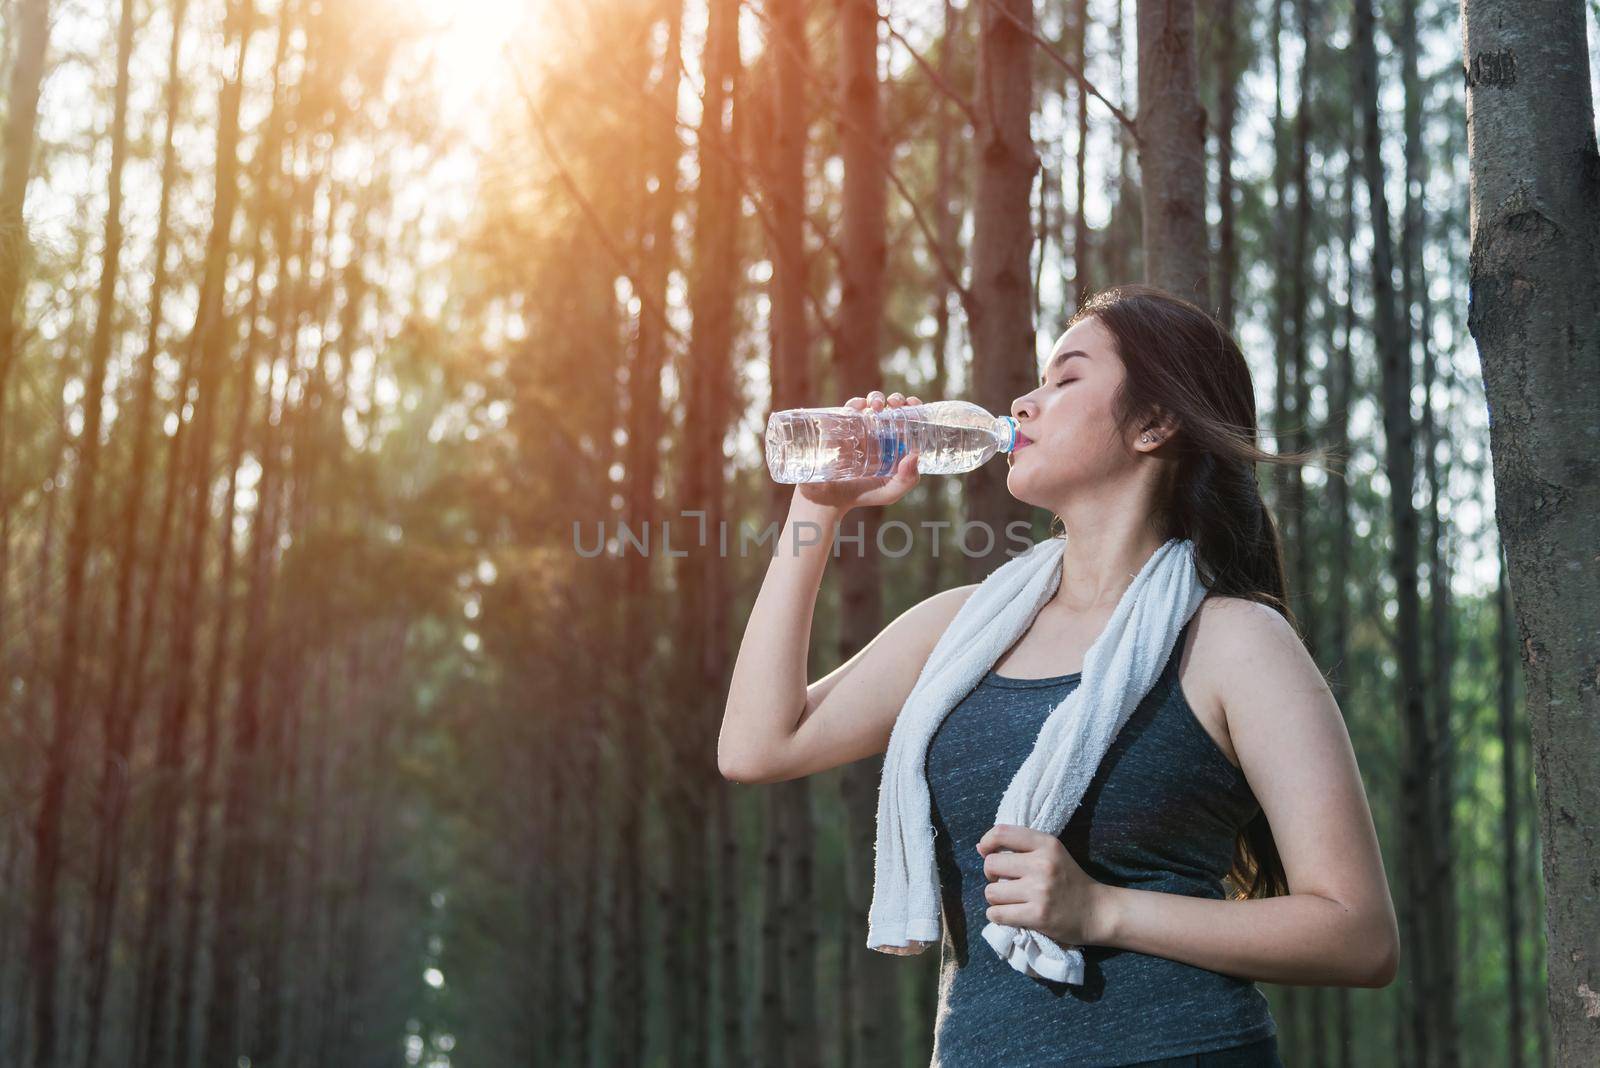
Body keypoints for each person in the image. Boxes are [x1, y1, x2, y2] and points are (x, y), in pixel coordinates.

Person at [719, 284, 1399, 1067]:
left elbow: (1358, 933)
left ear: (1154, 423)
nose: (1025, 400)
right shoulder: (962, 629)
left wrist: (1103, 910)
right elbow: (757, 745)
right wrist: (816, 507)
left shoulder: (1235, 641)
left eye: (1066, 377)